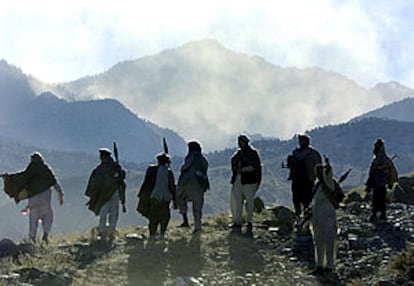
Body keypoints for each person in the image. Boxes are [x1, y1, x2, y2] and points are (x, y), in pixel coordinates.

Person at [1, 152, 64, 243]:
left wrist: (9, 178)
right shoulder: (46, 169)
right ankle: (45, 235)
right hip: (46, 199)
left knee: (33, 220)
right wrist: (60, 194)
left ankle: (32, 238)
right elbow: (54, 182)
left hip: (34, 200)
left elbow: (22, 176)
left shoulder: (31, 169)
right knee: (48, 217)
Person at [85, 148, 126, 239]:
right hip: (111, 193)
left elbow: (121, 177)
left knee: (105, 214)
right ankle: (108, 232)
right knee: (111, 214)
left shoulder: (103, 168)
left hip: (108, 194)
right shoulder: (113, 166)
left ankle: (105, 232)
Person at [137, 153, 176, 238]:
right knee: (164, 217)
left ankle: (152, 235)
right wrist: (175, 199)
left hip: (154, 197)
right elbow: (172, 186)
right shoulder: (169, 172)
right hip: (165, 198)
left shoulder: (152, 170)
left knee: (153, 217)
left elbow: (146, 183)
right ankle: (162, 234)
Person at [310, 162, 339, 275]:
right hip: (317, 216)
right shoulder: (318, 185)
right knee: (318, 241)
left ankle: (330, 265)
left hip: (327, 216)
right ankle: (319, 265)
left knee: (329, 241)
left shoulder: (329, 183)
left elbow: (329, 173)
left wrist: (328, 165)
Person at [229, 134, 262, 230]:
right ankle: (237, 221)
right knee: (237, 201)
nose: (239, 144)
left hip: (249, 181)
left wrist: (244, 169)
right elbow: (233, 163)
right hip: (238, 179)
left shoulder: (253, 153)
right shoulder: (238, 154)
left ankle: (249, 221)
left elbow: (256, 167)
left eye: (241, 142)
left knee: (249, 201)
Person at [177, 140, 209, 233]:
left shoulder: (191, 157)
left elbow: (185, 167)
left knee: (180, 199)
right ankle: (197, 226)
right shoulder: (203, 159)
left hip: (188, 184)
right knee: (197, 207)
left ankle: (185, 220)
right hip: (200, 185)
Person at [286, 134, 321, 219]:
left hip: (307, 180)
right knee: (297, 199)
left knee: (306, 200)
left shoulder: (312, 153)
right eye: (300, 141)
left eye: (302, 141)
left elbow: (318, 166)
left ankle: (305, 216)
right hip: (298, 179)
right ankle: (299, 215)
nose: (301, 143)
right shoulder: (296, 153)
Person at [365, 139, 398, 222]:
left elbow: (392, 171)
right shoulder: (376, 159)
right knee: (375, 199)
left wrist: (391, 182)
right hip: (375, 183)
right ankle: (375, 214)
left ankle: (381, 214)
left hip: (381, 183)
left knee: (381, 199)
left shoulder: (385, 160)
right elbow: (372, 172)